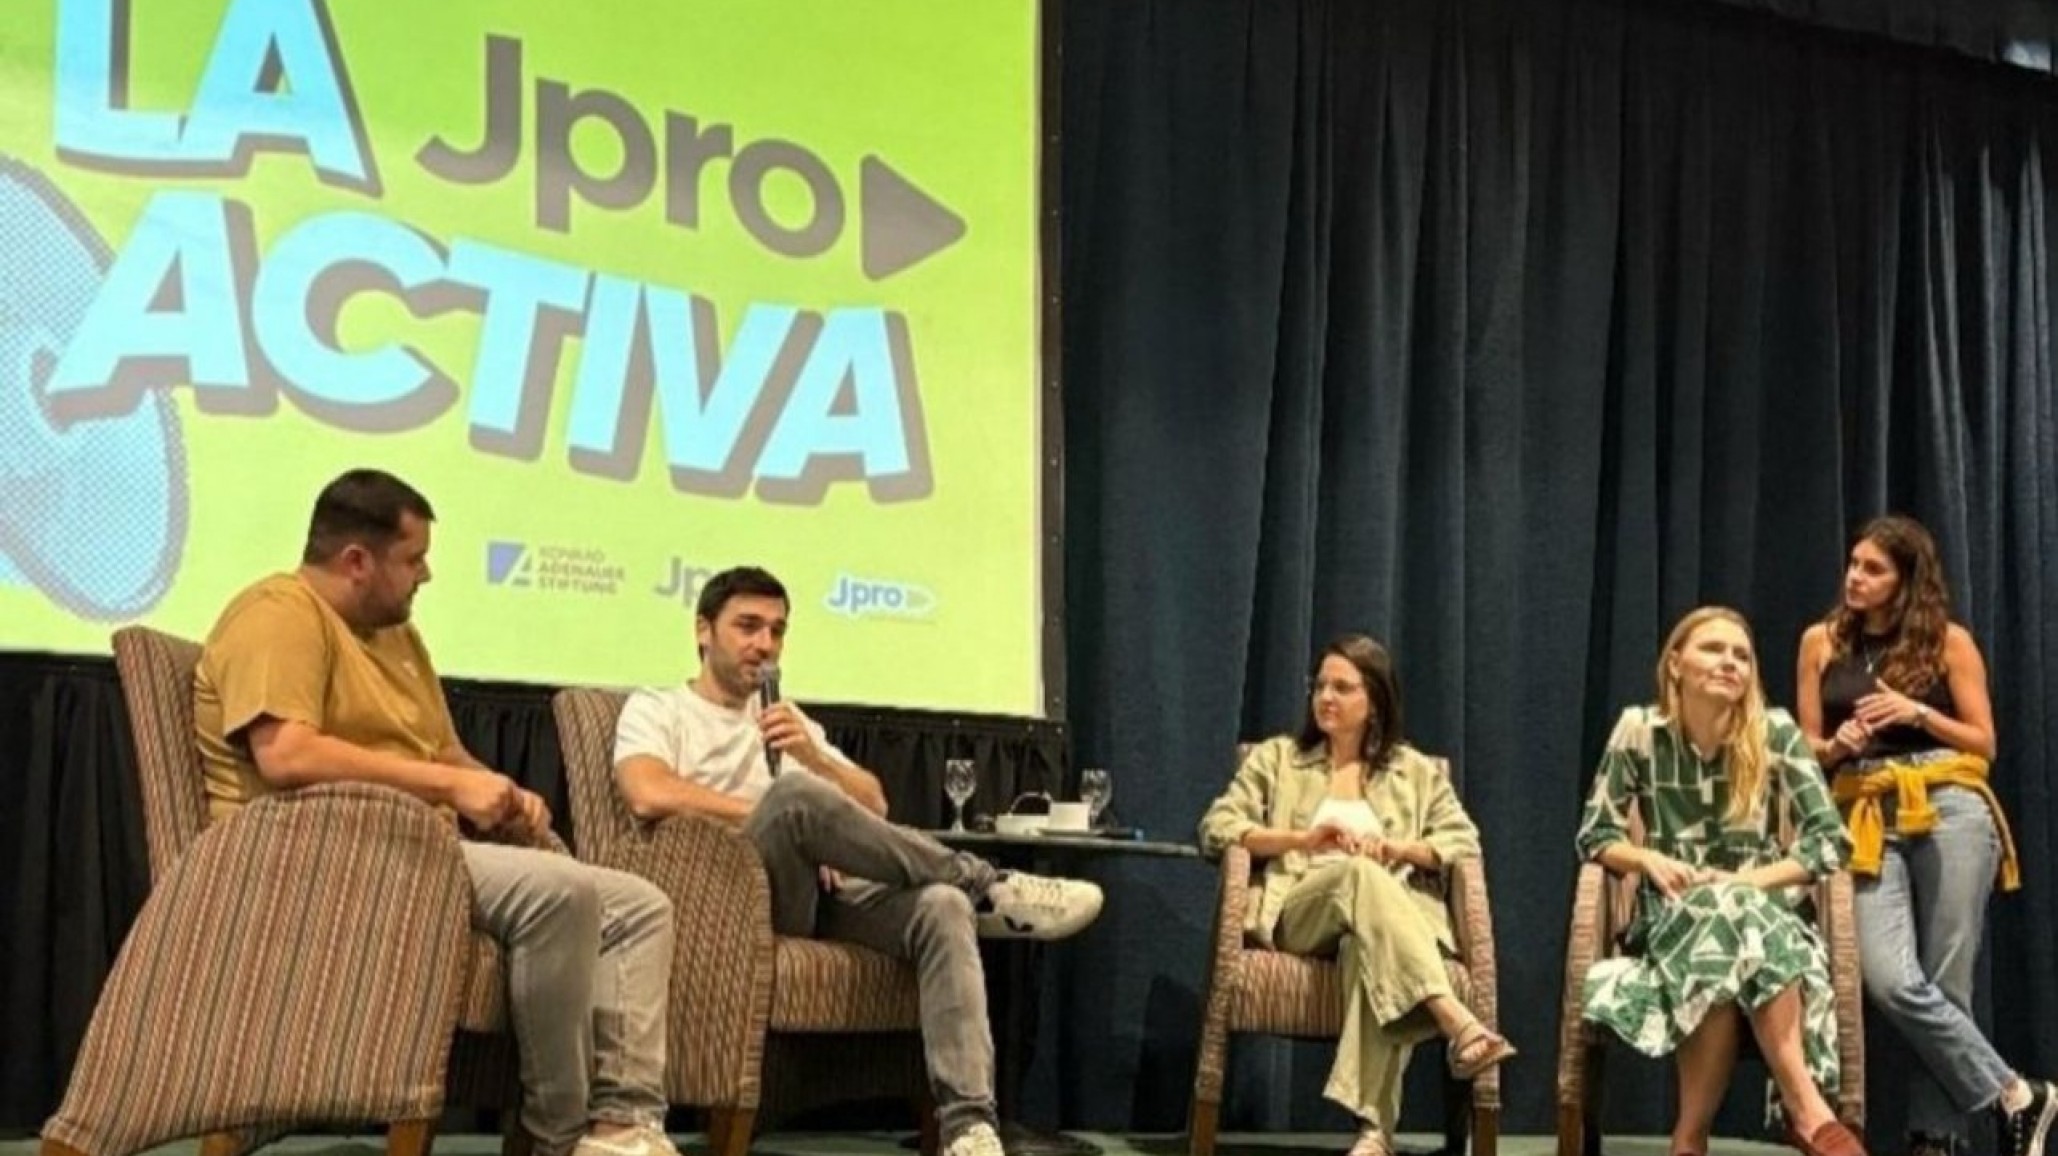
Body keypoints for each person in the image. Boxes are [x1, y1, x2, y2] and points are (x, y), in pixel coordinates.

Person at [193, 468, 677, 1156]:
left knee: (639, 903)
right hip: (306, 855)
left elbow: (443, 750)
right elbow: (287, 755)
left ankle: (622, 1125)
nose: (427, 575)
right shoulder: (277, 615)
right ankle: (554, 1136)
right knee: (560, 895)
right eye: (413, 558)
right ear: (356, 561)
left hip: (410, 849)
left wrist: (501, 794)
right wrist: (448, 790)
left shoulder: (397, 634)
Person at [610, 566, 1105, 1156]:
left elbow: (874, 804)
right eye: (747, 626)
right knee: (791, 801)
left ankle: (969, 1127)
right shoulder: (660, 707)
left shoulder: (783, 721)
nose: (763, 645)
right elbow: (646, 790)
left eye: (776, 631)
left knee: (941, 909)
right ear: (702, 631)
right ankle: (983, 880)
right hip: (725, 900)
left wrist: (812, 759)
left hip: (815, 897)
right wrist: (777, 815)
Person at [1796, 515, 2053, 1156]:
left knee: (1947, 978)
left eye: (1873, 569)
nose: (1856, 577)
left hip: (1949, 802)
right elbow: (1804, 751)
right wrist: (1837, 745)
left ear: (1907, 581)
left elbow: (1984, 742)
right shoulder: (1820, 642)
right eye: (1853, 564)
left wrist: (1919, 713)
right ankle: (2017, 1094)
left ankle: (1934, 1140)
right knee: (1887, 977)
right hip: (1864, 811)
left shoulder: (1949, 642)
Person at [1197, 634, 1512, 1156]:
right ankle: (1453, 1015)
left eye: (1342, 687)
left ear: (1375, 701)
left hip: (1382, 927)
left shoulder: (1412, 772)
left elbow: (1462, 839)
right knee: (1358, 875)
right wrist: (1303, 839)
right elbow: (1218, 825)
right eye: (1319, 685)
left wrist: (1394, 848)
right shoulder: (1279, 759)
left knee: (1370, 949)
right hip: (1301, 913)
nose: (1326, 697)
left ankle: (1374, 1135)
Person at [1577, 606, 1858, 1156]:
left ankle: (1690, 1139)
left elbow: (1830, 841)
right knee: (1723, 921)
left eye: (1742, 655)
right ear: (1676, 663)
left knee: (1734, 918)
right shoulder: (1640, 731)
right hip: (1673, 918)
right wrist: (1645, 861)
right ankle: (1808, 1111)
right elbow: (1596, 834)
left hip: (1765, 917)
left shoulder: (1774, 732)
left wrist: (1747, 882)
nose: (1730, 663)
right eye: (1714, 649)